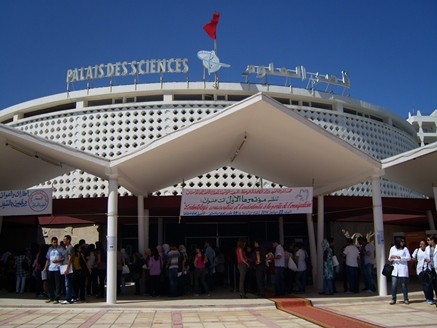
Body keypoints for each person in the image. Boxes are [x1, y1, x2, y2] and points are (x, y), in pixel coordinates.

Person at [388, 238, 411, 305]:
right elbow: (389, 258)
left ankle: (406, 298)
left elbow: (409, 258)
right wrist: (392, 257)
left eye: (403, 241)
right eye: (401, 242)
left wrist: (401, 258)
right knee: (393, 285)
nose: (403, 243)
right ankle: (393, 299)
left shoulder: (405, 249)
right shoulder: (392, 248)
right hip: (395, 269)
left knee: (404, 285)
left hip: (402, 268)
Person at [44, 237, 65, 304]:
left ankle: (57, 298)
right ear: (51, 242)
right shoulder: (50, 249)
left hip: (58, 268)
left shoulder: (60, 248)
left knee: (57, 284)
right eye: (53, 242)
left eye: (56, 242)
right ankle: (51, 297)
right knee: (50, 284)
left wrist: (58, 260)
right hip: (50, 268)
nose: (55, 243)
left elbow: (64, 257)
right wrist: (45, 267)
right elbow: (48, 259)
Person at [412, 239, 434, 304]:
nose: (421, 245)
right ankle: (427, 297)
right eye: (420, 244)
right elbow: (413, 258)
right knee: (424, 285)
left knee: (429, 285)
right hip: (420, 270)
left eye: (423, 244)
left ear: (425, 244)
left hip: (428, 269)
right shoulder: (417, 250)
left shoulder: (428, 249)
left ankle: (430, 298)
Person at [61, 235, 77, 304]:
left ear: (68, 240)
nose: (63, 240)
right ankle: (73, 296)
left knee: (67, 283)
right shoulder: (67, 248)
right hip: (66, 266)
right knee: (69, 283)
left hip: (69, 267)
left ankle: (68, 299)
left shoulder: (70, 248)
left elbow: (70, 259)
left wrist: (67, 268)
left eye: (65, 239)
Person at [425, 235, 437, 300]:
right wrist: (426, 259)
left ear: (433, 240)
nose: (427, 241)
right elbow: (425, 257)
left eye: (428, 240)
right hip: (431, 269)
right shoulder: (427, 248)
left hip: (436, 268)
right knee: (433, 285)